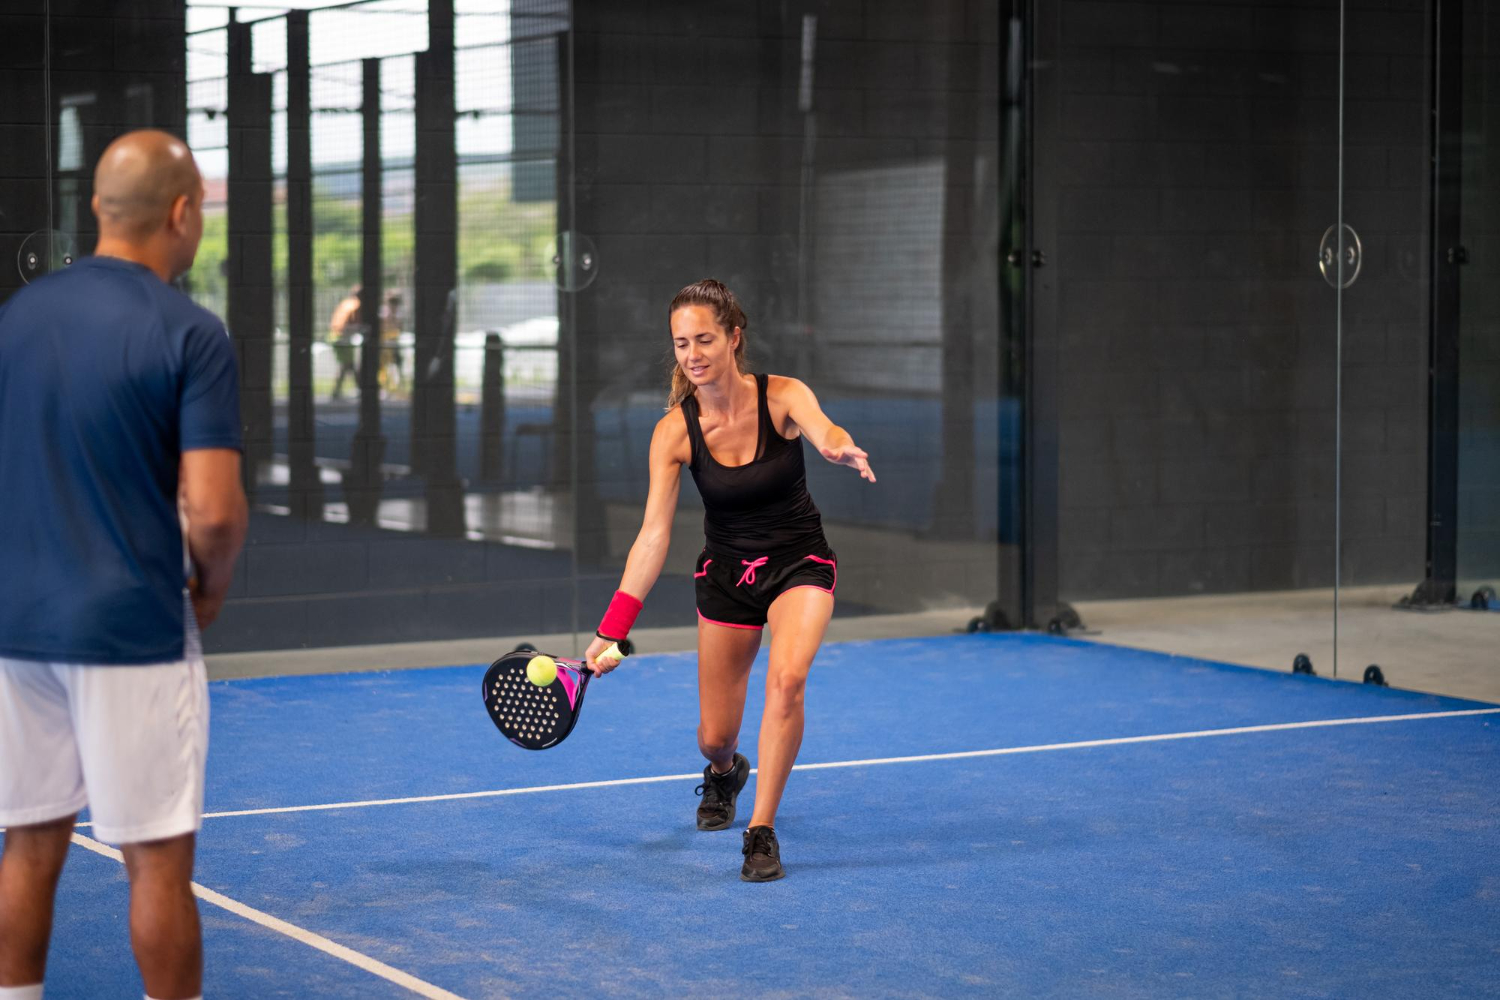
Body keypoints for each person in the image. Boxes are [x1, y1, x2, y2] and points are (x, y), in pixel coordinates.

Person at [0, 130, 247, 1000]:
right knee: (156, 862)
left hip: (16, 626)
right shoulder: (191, 331)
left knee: (29, 843)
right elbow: (214, 511)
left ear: (100, 208)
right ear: (181, 214)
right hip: (132, 628)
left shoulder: (15, 319)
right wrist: (211, 587)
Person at [584, 278, 875, 882]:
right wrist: (612, 629)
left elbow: (825, 430)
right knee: (714, 736)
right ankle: (724, 772)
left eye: (705, 339)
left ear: (734, 337)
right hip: (726, 578)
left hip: (799, 564)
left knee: (787, 680)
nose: (692, 354)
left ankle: (761, 831)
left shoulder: (783, 395)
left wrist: (838, 447)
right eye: (681, 343)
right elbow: (653, 537)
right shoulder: (674, 431)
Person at [328, 284, 362, 400]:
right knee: (347, 364)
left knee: (348, 364)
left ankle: (356, 388)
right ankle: (337, 391)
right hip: (342, 337)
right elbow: (350, 325)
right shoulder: (356, 305)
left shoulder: (347, 303)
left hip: (335, 335)